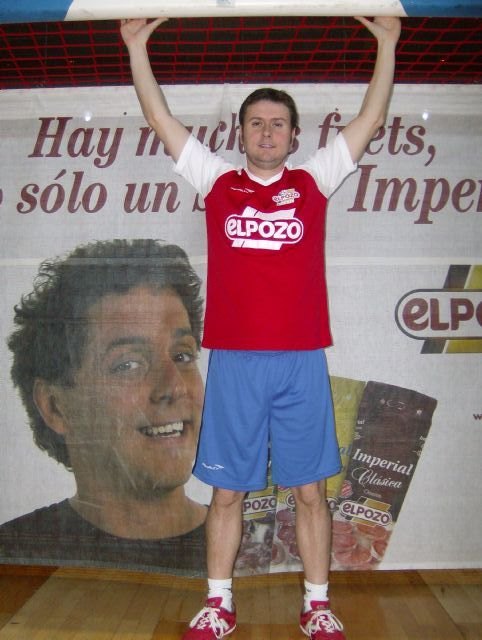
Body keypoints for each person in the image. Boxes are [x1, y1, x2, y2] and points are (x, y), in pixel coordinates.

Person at [121, 14, 400, 639]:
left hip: (301, 361)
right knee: (227, 494)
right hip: (235, 362)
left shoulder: (313, 181)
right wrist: (138, 48)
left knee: (311, 492)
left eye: (277, 123)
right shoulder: (218, 182)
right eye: (256, 123)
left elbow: (371, 118)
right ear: (240, 133)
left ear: (295, 136)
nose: (267, 132)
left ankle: (317, 605)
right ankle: (218, 604)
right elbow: (161, 119)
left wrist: (386, 43)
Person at [0, 239, 208, 574]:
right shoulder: (13, 558)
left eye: (183, 356)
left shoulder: (261, 547)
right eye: (128, 364)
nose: (175, 387)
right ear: (55, 406)